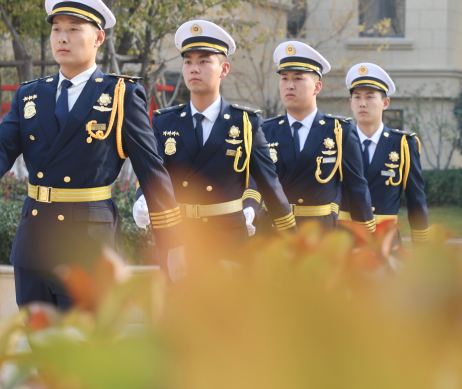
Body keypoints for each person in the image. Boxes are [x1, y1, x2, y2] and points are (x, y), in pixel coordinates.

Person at [0, 0, 182, 308]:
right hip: (35, 242)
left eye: (74, 29)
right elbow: (2, 142)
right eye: (57, 29)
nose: (62, 38)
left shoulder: (120, 95)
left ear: (98, 38)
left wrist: (172, 244)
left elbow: (152, 170)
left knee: (82, 352)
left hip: (89, 247)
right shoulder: (31, 94)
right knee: (40, 349)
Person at [141, 20, 296, 276]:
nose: (194, 69)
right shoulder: (164, 121)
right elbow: (154, 179)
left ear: (224, 69)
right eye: (188, 61)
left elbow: (270, 185)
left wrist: (294, 241)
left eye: (204, 61)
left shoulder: (245, 123)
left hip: (228, 239)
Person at [245, 41, 375, 232]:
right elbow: (255, 180)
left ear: (317, 87)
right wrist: (250, 209)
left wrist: (368, 243)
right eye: (284, 78)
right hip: (274, 232)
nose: (289, 85)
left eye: (298, 79)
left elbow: (357, 190)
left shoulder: (340, 131)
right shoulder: (265, 130)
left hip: (320, 235)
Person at [341, 62, 429, 246]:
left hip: (385, 242)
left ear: (385, 103)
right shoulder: (337, 140)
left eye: (370, 97)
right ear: (351, 103)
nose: (362, 103)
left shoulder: (402, 145)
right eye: (357, 97)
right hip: (345, 240)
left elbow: (416, 202)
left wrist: (422, 250)